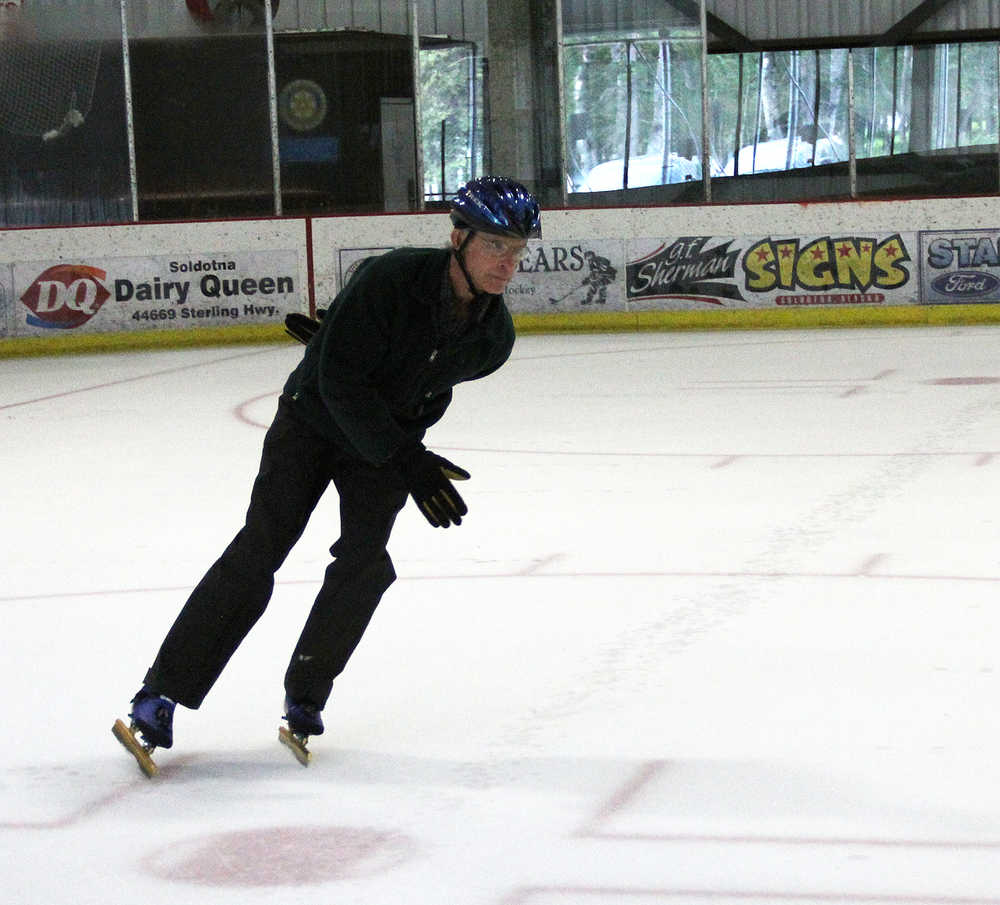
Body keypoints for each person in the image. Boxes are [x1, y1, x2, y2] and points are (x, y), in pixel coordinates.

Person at [121, 176, 541, 756]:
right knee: (260, 549)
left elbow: (430, 390)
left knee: (365, 563)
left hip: (380, 439)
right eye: (495, 245)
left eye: (518, 251)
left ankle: (306, 694)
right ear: (457, 238)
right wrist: (399, 446)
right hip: (313, 421)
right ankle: (161, 694)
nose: (507, 263)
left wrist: (404, 444)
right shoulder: (390, 279)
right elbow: (339, 381)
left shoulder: (493, 338)